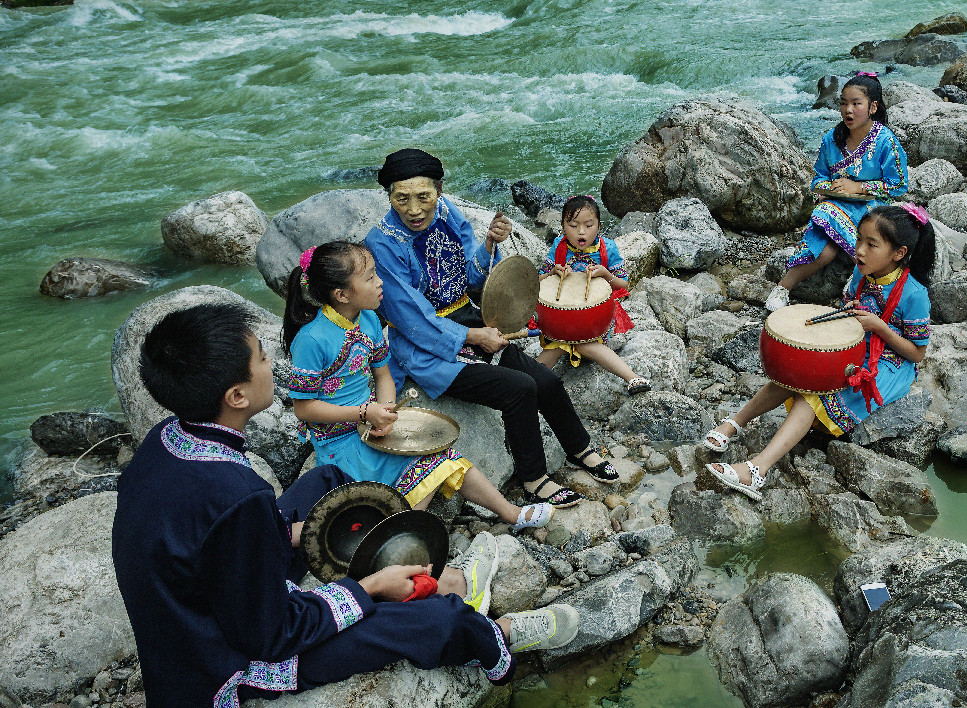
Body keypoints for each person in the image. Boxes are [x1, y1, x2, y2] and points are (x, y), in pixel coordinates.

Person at [112, 303, 579, 707]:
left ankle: (430, 577)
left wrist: (286, 533)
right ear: (236, 396)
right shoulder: (237, 496)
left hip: (210, 601)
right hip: (223, 657)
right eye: (261, 358)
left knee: (328, 480)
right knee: (436, 620)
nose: (271, 364)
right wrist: (371, 587)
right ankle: (497, 634)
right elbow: (276, 635)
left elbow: (209, 543)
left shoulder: (165, 442)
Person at [364, 148, 615, 508]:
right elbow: (410, 319)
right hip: (425, 346)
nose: (415, 209)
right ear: (389, 196)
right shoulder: (383, 244)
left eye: (424, 196)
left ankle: (580, 448)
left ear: (438, 189)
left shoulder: (447, 213)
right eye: (402, 198)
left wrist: (489, 244)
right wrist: (472, 336)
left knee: (546, 380)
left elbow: (471, 277)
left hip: (468, 316)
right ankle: (534, 479)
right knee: (519, 389)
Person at [283, 240, 552, 532]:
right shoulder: (312, 340)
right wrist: (363, 413)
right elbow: (304, 408)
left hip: (370, 426)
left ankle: (511, 515)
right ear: (342, 294)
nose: (380, 282)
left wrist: (385, 412)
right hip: (339, 443)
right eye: (371, 277)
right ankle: (396, 534)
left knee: (444, 455)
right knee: (430, 467)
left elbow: (383, 376)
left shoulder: (370, 320)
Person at [703, 204, 935, 499]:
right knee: (797, 373)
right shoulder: (864, 273)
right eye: (859, 240)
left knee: (811, 393)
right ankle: (733, 424)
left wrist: (879, 327)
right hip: (857, 348)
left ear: (898, 253)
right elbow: (853, 313)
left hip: (890, 365)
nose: (859, 250)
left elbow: (917, 354)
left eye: (871, 244)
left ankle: (757, 470)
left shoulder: (914, 294)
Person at [766, 72, 909, 312]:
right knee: (824, 250)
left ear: (873, 107)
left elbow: (898, 185)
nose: (848, 110)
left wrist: (859, 187)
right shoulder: (831, 139)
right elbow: (819, 178)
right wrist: (824, 190)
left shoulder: (886, 142)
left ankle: (854, 288)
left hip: (872, 207)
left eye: (856, 104)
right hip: (835, 205)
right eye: (843, 103)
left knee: (830, 226)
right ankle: (783, 289)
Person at [535, 195, 650, 396]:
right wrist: (552, 272)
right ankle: (524, 383)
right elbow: (538, 281)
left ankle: (632, 377)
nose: (581, 232)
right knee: (561, 341)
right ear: (562, 226)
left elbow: (623, 284)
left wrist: (606, 275)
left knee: (581, 343)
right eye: (573, 225)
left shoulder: (607, 248)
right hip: (563, 317)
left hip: (596, 319)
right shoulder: (558, 246)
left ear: (598, 226)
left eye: (588, 225)